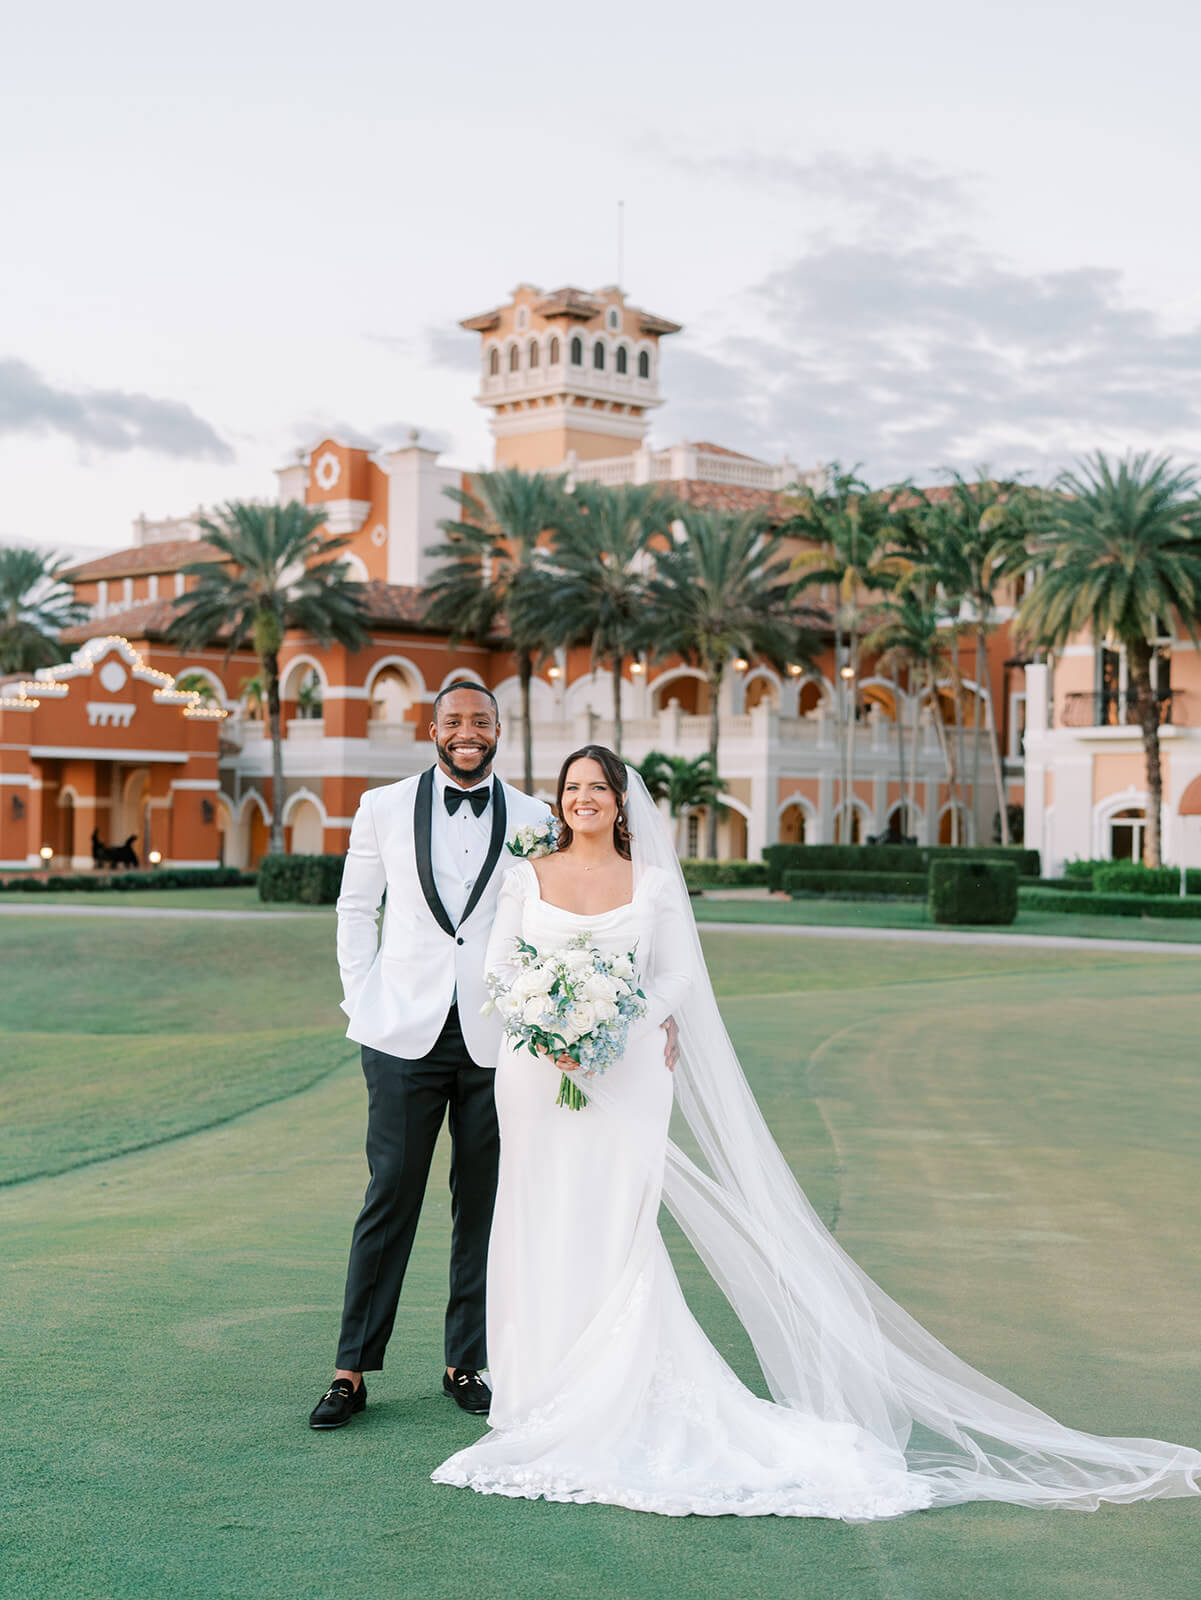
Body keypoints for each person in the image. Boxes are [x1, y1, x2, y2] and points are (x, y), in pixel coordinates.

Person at [432, 744, 1201, 1516]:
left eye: (597, 786)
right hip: (535, 1073)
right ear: (559, 800)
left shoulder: (654, 883)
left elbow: (673, 975)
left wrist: (626, 1020)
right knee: (535, 1215)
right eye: (572, 788)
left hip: (625, 1066)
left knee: (614, 1222)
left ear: (621, 802)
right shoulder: (525, 876)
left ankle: (608, 1386)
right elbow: (501, 970)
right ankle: (535, 1387)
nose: (583, 798)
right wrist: (549, 1028)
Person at [308, 682, 552, 1429]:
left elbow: (549, 919)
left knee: (482, 1203)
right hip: (400, 1034)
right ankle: (350, 1371)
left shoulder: (535, 817)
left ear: (499, 729)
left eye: (480, 722)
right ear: (432, 730)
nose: (467, 732)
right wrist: (363, 1001)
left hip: (497, 1036)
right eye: (454, 722)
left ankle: (464, 1361)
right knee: (391, 1194)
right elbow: (356, 908)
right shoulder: (382, 806)